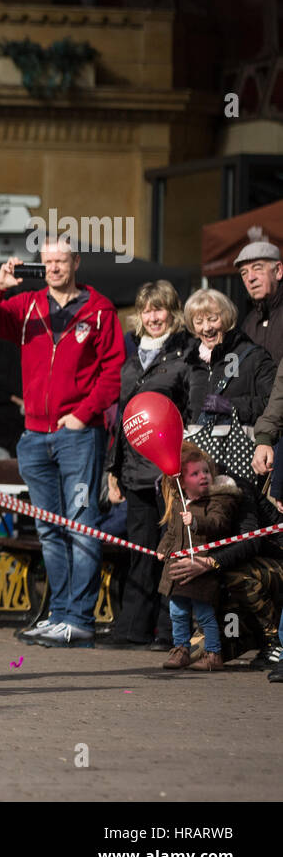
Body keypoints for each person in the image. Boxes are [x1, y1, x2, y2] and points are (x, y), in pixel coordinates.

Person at [0, 237, 124, 649]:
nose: (54, 268)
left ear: (76, 262)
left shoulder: (99, 309)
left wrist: (81, 416)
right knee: (49, 528)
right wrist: (0, 285)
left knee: (81, 523)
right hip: (35, 435)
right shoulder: (28, 306)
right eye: (47, 262)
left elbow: (112, 374)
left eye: (61, 261)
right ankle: (59, 614)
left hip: (77, 433)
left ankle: (79, 618)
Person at [101, 280, 190, 650]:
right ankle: (133, 626)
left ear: (173, 312)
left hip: (169, 471)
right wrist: (113, 469)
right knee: (140, 551)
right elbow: (123, 417)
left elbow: (190, 412)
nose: (153, 316)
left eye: (160, 308)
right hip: (135, 470)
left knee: (173, 550)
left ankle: (169, 630)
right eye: (147, 309)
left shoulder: (186, 355)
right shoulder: (132, 353)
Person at [156, 444, 239, 672]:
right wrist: (163, 548)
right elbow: (172, 532)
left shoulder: (215, 502)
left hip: (200, 568)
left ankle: (213, 653)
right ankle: (181, 649)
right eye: (195, 473)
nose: (203, 476)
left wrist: (196, 522)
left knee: (204, 614)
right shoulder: (179, 505)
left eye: (206, 472)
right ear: (182, 482)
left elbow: (218, 524)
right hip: (177, 570)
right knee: (177, 612)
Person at [182, 288, 272, 450]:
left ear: (226, 317)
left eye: (212, 319)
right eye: (199, 322)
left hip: (238, 458)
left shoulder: (253, 356)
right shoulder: (190, 363)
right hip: (199, 462)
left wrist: (232, 406)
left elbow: (273, 405)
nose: (206, 328)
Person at [235, 226, 283, 366]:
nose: (250, 278)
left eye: (257, 268)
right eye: (244, 273)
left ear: (278, 271)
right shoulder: (248, 323)